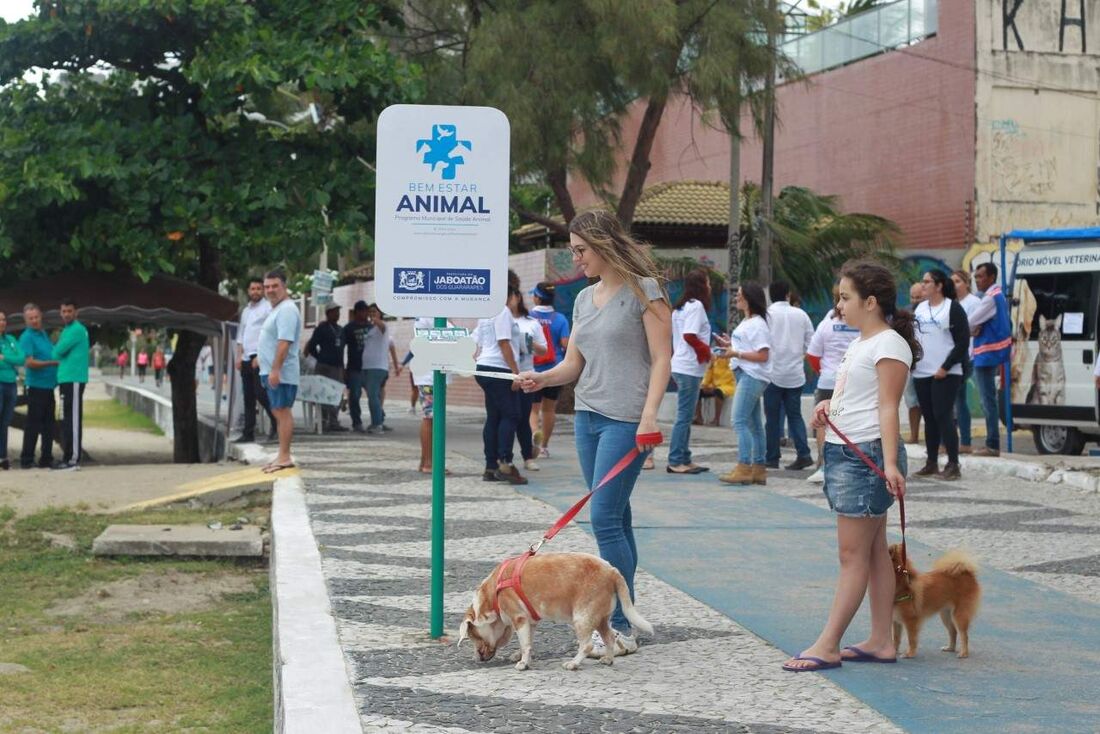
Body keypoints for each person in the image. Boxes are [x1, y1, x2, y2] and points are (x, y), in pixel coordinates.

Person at [517, 209, 671, 658]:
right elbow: (572, 365)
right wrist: (541, 378)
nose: (576, 259)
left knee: (603, 517)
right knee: (616, 516)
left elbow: (663, 358)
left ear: (603, 245)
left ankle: (619, 625)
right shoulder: (584, 300)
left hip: (627, 419)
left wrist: (649, 415)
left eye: (581, 250)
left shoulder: (646, 290)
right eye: (572, 251)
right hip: (587, 416)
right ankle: (624, 617)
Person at [783, 259, 918, 672]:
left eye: (845, 297)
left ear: (871, 301)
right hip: (851, 451)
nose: (839, 305)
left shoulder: (889, 344)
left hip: (868, 457)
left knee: (851, 555)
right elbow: (861, 397)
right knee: (874, 550)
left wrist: (891, 464)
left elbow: (888, 407)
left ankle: (828, 644)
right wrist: (829, 406)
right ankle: (880, 641)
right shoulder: (863, 342)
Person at [912, 269, 970, 481]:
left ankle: (953, 463)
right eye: (923, 281)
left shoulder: (952, 308)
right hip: (923, 372)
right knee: (929, 417)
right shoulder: (920, 309)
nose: (923, 285)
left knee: (943, 415)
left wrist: (946, 366)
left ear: (938, 285)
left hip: (946, 372)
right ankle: (931, 461)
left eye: (927, 282)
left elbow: (963, 342)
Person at [717, 283, 771, 486]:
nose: (736, 298)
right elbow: (751, 348)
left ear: (749, 298)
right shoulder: (750, 322)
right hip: (747, 374)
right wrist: (731, 345)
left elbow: (763, 355)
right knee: (755, 424)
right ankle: (758, 469)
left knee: (739, 421)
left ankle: (744, 467)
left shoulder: (757, 324)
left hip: (751, 376)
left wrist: (736, 353)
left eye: (739, 295)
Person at [805, 286, 860, 484]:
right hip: (854, 382)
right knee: (851, 423)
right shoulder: (862, 324)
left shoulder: (826, 325)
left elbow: (812, 355)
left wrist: (823, 371)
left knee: (823, 423)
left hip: (829, 380)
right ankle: (851, 466)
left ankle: (823, 466)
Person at [475, 288, 527, 484]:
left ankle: (490, 466)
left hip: (484, 367)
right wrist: (515, 373)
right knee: (512, 414)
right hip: (499, 368)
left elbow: (479, 342)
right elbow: (504, 343)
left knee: (494, 417)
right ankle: (505, 463)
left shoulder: (485, 313)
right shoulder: (502, 311)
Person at [764, 281, 815, 471]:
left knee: (772, 418)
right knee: (795, 415)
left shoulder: (767, 315)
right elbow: (811, 344)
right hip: (795, 374)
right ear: (788, 294)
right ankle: (804, 454)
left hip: (772, 374)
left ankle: (772, 457)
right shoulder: (801, 315)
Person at [668, 269, 712, 474]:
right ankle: (676, 459)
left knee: (685, 414)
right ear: (702, 285)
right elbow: (690, 335)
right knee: (684, 416)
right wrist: (707, 352)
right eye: (708, 283)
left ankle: (684, 456)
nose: (710, 287)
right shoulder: (697, 306)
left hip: (681, 364)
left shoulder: (680, 308)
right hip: (688, 367)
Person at [257, 270, 301, 473]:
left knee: (282, 411)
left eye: (275, 286)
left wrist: (275, 370)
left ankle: (284, 456)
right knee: (277, 411)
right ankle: (281, 454)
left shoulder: (287, 310)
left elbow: (284, 343)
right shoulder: (276, 309)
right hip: (270, 371)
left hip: (281, 373)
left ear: (284, 286)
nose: (270, 290)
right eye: (267, 287)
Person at [967, 262, 1011, 457]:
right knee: (989, 400)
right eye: (975, 277)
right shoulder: (997, 295)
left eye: (981, 276)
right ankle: (992, 443)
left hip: (986, 354)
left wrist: (971, 328)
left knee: (987, 401)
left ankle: (992, 444)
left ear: (992, 277)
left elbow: (970, 322)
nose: (977, 280)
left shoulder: (990, 299)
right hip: (990, 353)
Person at [528, 282, 571, 458]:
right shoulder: (560, 319)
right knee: (549, 409)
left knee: (533, 410)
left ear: (537, 297)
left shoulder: (529, 317)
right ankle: (544, 446)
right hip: (555, 369)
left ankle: (534, 435)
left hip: (533, 369)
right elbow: (565, 344)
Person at [234, 276, 276, 443]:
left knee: (261, 393)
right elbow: (241, 334)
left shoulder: (268, 308)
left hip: (260, 357)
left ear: (263, 290)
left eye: (259, 289)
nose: (256, 292)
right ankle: (248, 432)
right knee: (248, 396)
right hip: (245, 357)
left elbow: (270, 333)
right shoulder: (246, 311)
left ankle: (277, 421)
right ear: (248, 291)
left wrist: (260, 355)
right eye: (253, 289)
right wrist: (238, 356)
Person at [18, 303, 59, 469]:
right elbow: (29, 362)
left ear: (41, 316)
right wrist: (51, 363)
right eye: (30, 318)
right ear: (26, 320)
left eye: (36, 317)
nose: (34, 320)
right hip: (36, 386)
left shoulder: (43, 334)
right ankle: (27, 459)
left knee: (49, 424)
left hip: (49, 387)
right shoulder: (27, 337)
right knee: (33, 424)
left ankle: (46, 458)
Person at [53, 298, 90, 470]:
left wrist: (57, 350)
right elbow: (58, 352)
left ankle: (73, 458)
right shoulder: (66, 330)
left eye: (69, 311)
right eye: (64, 311)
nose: (66, 314)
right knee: (67, 419)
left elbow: (57, 351)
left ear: (76, 312)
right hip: (66, 379)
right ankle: (67, 457)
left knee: (73, 419)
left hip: (74, 379)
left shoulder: (76, 330)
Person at [513, 292, 547, 471]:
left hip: (526, 375)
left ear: (517, 298)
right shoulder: (496, 319)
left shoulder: (531, 323)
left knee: (524, 418)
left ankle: (529, 456)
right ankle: (502, 459)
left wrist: (529, 343)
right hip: (506, 376)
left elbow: (544, 350)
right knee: (505, 418)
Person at [951, 270, 981, 454]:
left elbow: (975, 329)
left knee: (960, 400)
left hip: (967, 356)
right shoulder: (952, 304)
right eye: (951, 281)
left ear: (966, 283)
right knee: (951, 402)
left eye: (957, 281)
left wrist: (961, 332)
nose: (954, 285)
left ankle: (966, 440)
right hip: (951, 355)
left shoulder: (974, 303)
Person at [305, 303, 347, 432]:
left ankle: (334, 421)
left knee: (337, 393)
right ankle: (322, 420)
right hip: (324, 366)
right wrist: (321, 357)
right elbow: (311, 346)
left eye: (338, 311)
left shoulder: (340, 329)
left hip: (338, 366)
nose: (337, 314)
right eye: (334, 312)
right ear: (328, 313)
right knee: (323, 393)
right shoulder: (322, 328)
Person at [362, 304, 400, 434]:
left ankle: (377, 424)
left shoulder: (382, 327)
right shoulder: (370, 329)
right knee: (374, 396)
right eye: (370, 312)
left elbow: (382, 326)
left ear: (380, 314)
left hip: (377, 367)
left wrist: (375, 319)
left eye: (374, 312)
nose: (371, 314)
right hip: (367, 366)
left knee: (373, 396)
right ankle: (377, 421)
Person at [0, 311, 26, 470]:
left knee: (5, 422)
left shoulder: (11, 340)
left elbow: (21, 358)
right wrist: (10, 360)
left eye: (3, 319)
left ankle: (2, 456)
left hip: (11, 384)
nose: (2, 322)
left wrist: (4, 358)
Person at [342, 301, 372, 433]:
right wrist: (343, 368)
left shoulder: (372, 327)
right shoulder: (349, 328)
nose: (365, 314)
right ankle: (357, 422)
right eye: (362, 311)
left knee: (374, 395)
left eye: (366, 311)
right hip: (355, 367)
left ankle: (378, 420)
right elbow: (342, 348)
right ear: (356, 312)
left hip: (371, 366)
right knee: (354, 395)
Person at [905, 282, 924, 444]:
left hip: (929, 365)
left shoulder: (931, 312)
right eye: (913, 297)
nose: (915, 300)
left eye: (919, 297)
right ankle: (914, 435)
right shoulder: (905, 313)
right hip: (911, 363)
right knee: (912, 402)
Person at [695, 352, 734, 426]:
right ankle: (699, 417)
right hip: (714, 386)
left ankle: (716, 420)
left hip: (728, 386)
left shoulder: (731, 361)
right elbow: (708, 374)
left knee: (718, 391)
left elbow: (730, 376)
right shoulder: (714, 361)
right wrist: (704, 385)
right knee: (698, 391)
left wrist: (716, 386)